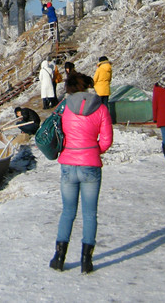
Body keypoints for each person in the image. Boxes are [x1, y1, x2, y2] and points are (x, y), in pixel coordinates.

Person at [49, 72, 113, 274]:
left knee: (67, 211)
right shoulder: (101, 108)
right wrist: (94, 151)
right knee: (89, 213)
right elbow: (107, 140)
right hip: (91, 165)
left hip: (68, 164)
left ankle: (59, 258)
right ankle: (87, 261)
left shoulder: (64, 107)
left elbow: (55, 130)